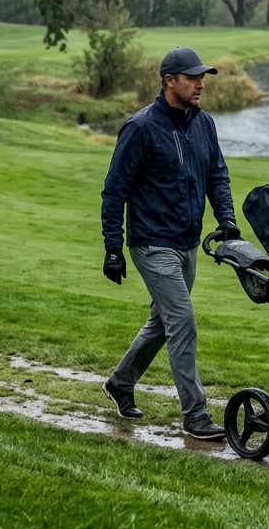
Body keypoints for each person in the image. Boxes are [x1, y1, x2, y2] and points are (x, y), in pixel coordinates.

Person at [100, 46, 240, 439]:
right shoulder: (141, 127)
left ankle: (120, 383)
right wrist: (114, 247)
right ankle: (195, 415)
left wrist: (226, 219)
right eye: (192, 77)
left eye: (202, 77)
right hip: (151, 242)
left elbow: (218, 175)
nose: (200, 84)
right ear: (169, 81)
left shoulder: (204, 124)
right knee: (182, 322)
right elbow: (115, 191)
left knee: (161, 323)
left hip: (187, 241)